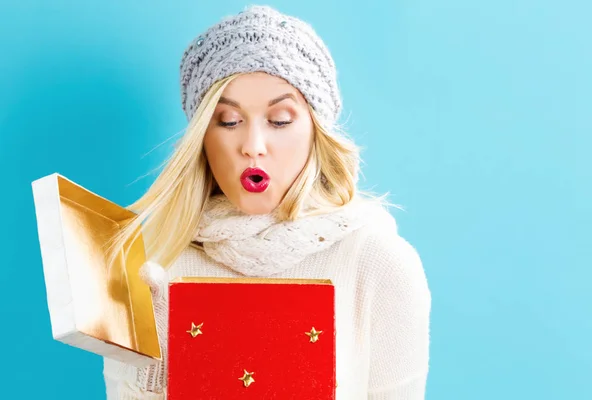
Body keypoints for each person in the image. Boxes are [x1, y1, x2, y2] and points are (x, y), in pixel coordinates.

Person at [102, 5, 431, 399]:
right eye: (228, 121)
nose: (253, 147)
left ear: (315, 131)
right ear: (202, 137)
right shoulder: (152, 264)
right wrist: (146, 377)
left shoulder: (378, 264)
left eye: (279, 120)